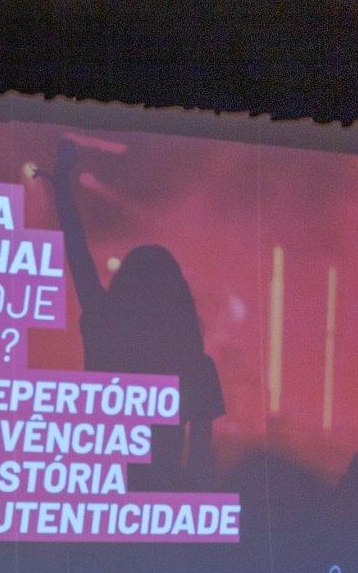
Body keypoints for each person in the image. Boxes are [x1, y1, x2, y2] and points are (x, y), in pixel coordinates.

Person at [45, 139, 224, 491]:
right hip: (161, 495)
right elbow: (200, 457)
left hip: (96, 488)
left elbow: (77, 253)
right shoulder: (196, 366)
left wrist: (62, 185)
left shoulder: (105, 326)